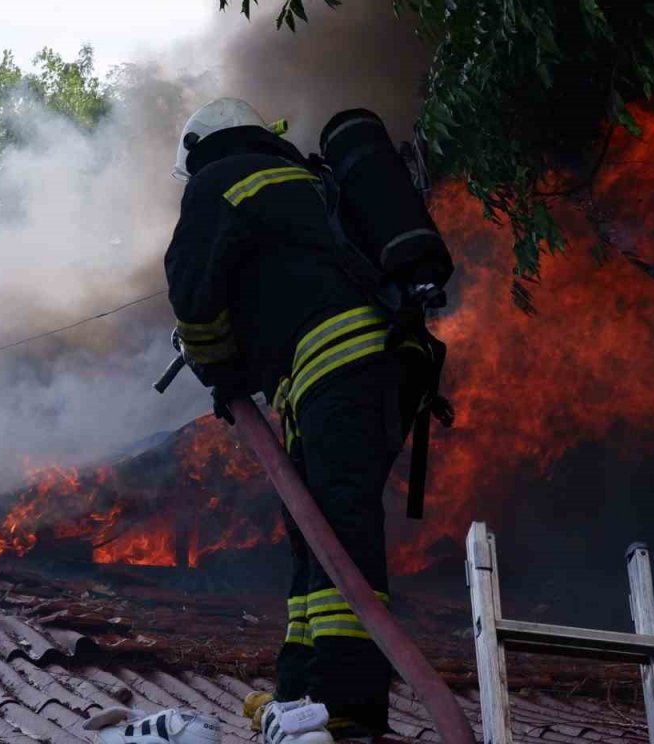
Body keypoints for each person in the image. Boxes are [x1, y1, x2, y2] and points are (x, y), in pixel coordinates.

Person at [163, 98, 451, 743]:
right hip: (376, 366)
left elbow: (191, 293)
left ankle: (348, 701)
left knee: (338, 527)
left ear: (198, 149)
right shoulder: (308, 182)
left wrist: (217, 368)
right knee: (316, 533)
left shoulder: (220, 178)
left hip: (334, 363)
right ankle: (300, 693)